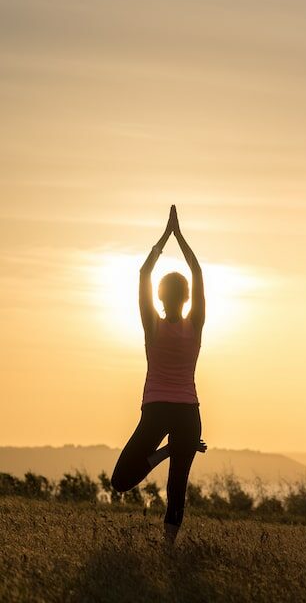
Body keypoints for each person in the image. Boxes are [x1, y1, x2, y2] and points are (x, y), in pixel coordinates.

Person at [111, 204, 207, 546]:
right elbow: (197, 272)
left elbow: (142, 273)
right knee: (177, 485)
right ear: (188, 298)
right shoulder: (195, 324)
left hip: (156, 410)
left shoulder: (151, 325)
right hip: (188, 413)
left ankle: (166, 451)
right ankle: (168, 549)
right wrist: (180, 236)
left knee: (120, 480)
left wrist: (165, 237)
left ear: (159, 297)